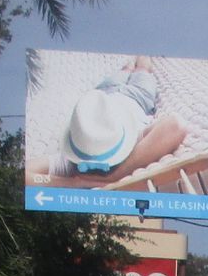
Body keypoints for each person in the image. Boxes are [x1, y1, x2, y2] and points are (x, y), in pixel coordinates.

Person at [58, 56, 185, 186]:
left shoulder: (79, 148)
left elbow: (35, 169)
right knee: (143, 68)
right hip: (138, 96)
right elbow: (176, 125)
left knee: (126, 69)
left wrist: (75, 182)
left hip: (105, 93)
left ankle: (132, 56)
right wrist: (115, 176)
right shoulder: (132, 142)